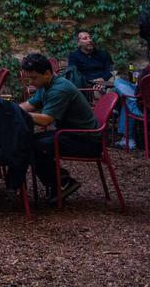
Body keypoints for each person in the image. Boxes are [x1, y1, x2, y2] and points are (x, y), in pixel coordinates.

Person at [19, 53, 100, 204]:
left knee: (32, 145)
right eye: (29, 78)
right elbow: (29, 105)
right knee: (28, 141)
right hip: (70, 134)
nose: (31, 82)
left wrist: (19, 114)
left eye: (34, 78)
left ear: (47, 73)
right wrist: (10, 109)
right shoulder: (46, 85)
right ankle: (60, 180)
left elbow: (46, 120)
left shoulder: (60, 89)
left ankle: (62, 183)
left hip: (87, 140)